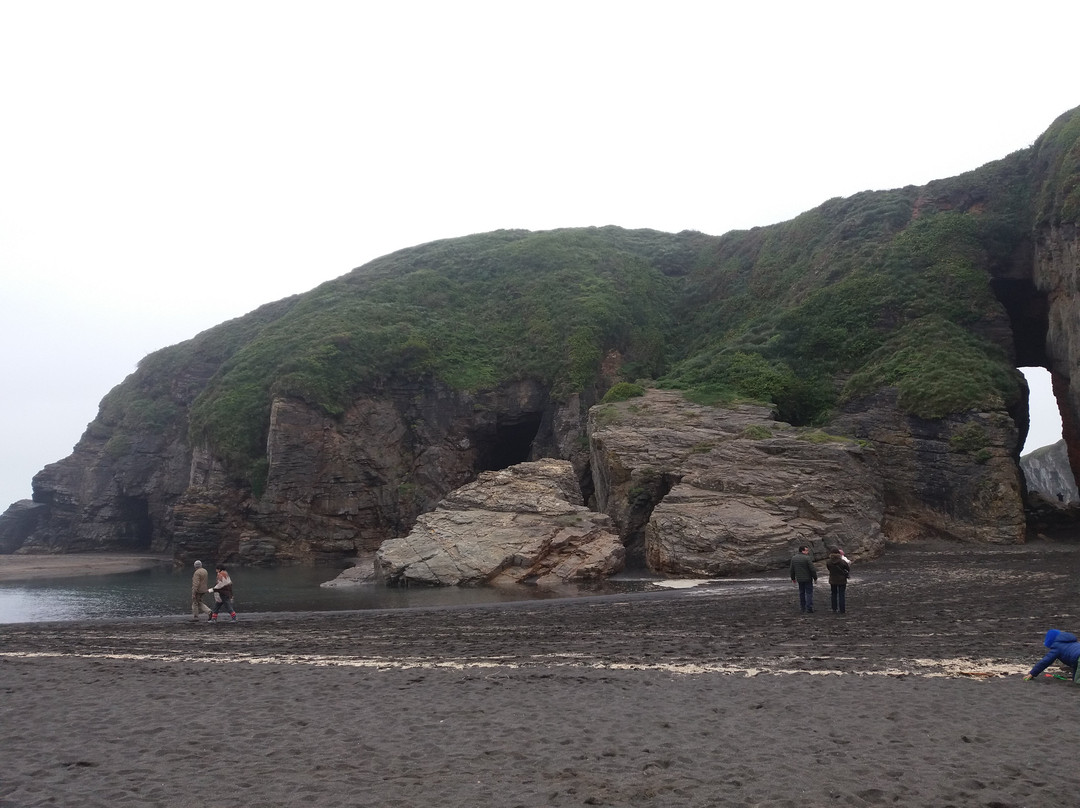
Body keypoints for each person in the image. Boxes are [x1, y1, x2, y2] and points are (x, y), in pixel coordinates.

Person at [789, 545, 817, 613]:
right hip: (807, 578)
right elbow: (812, 569)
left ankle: (802, 607)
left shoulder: (794, 558)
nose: (807, 552)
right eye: (806, 550)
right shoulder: (807, 558)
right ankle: (809, 607)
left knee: (801, 593)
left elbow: (791, 569)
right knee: (809, 593)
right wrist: (815, 577)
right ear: (802, 550)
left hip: (799, 579)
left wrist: (793, 578)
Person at [826, 546, 851, 614]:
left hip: (832, 579)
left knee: (833, 594)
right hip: (842, 580)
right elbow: (848, 569)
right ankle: (842, 609)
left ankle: (834, 608)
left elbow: (829, 569)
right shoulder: (842, 561)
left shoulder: (828, 562)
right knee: (841, 595)